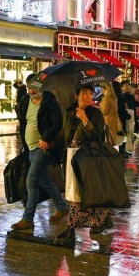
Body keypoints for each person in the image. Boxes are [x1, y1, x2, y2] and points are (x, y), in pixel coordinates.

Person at [54, 84, 112, 246]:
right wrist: (48, 143)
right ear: (76, 96)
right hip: (71, 156)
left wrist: (86, 120)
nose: (88, 97)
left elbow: (97, 135)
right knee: (79, 193)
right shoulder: (69, 112)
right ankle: (104, 218)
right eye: (84, 94)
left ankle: (70, 229)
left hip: (88, 157)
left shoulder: (95, 114)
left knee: (77, 195)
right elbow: (63, 134)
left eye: (90, 94)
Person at [10, 82, 68, 231]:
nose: (31, 91)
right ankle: (62, 207)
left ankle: (28, 218)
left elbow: (57, 123)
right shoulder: (25, 101)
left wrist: (46, 137)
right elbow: (24, 121)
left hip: (42, 148)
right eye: (29, 88)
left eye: (34, 89)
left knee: (31, 180)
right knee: (44, 180)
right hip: (29, 148)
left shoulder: (50, 102)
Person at [112, 81, 132, 157]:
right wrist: (128, 116)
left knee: (115, 136)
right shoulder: (120, 96)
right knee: (122, 134)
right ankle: (121, 152)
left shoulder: (113, 96)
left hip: (114, 119)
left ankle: (117, 152)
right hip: (121, 119)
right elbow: (122, 110)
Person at [99, 82, 120, 147]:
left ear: (105, 89)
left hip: (107, 121)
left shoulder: (106, 98)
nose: (101, 91)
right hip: (114, 119)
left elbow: (104, 112)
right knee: (113, 138)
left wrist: (100, 106)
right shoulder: (114, 97)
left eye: (101, 90)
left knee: (108, 138)